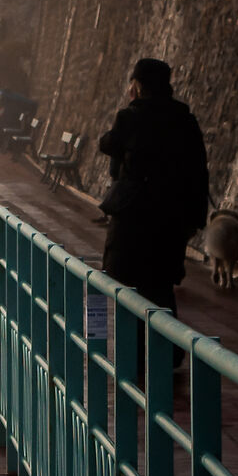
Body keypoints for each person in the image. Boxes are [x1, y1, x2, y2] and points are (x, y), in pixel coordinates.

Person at [97, 57, 211, 313]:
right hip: (170, 223)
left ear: (137, 85)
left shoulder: (130, 117)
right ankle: (167, 352)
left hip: (131, 222)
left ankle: (135, 353)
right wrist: (195, 220)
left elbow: (107, 143)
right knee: (160, 294)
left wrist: (131, 107)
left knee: (126, 295)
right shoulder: (185, 120)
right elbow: (198, 172)